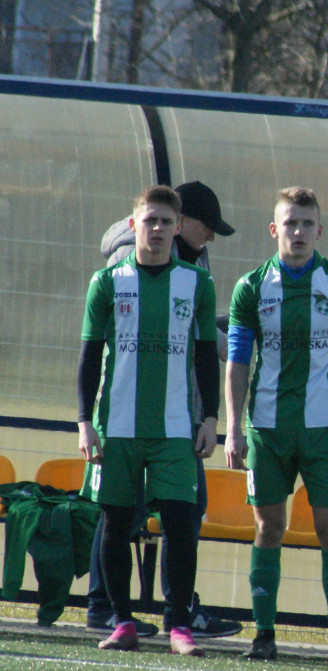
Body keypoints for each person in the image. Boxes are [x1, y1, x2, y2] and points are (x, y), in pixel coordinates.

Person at [85, 180, 242, 640]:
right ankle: (112, 613)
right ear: (138, 223)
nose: (210, 236)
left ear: (176, 226)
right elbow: (95, 351)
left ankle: (178, 617)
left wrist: (210, 417)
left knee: (181, 516)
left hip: (176, 422)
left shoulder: (195, 277)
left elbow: (195, 347)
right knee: (117, 516)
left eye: (164, 222)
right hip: (119, 422)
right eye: (150, 220)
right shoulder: (115, 275)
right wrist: (83, 422)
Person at [224, 186, 328, 668]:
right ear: (275, 229)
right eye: (290, 223)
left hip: (325, 431)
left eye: (307, 224)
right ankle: (264, 635)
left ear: (319, 231)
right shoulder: (250, 287)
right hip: (267, 431)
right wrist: (233, 428)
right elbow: (237, 363)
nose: (299, 232)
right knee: (269, 527)